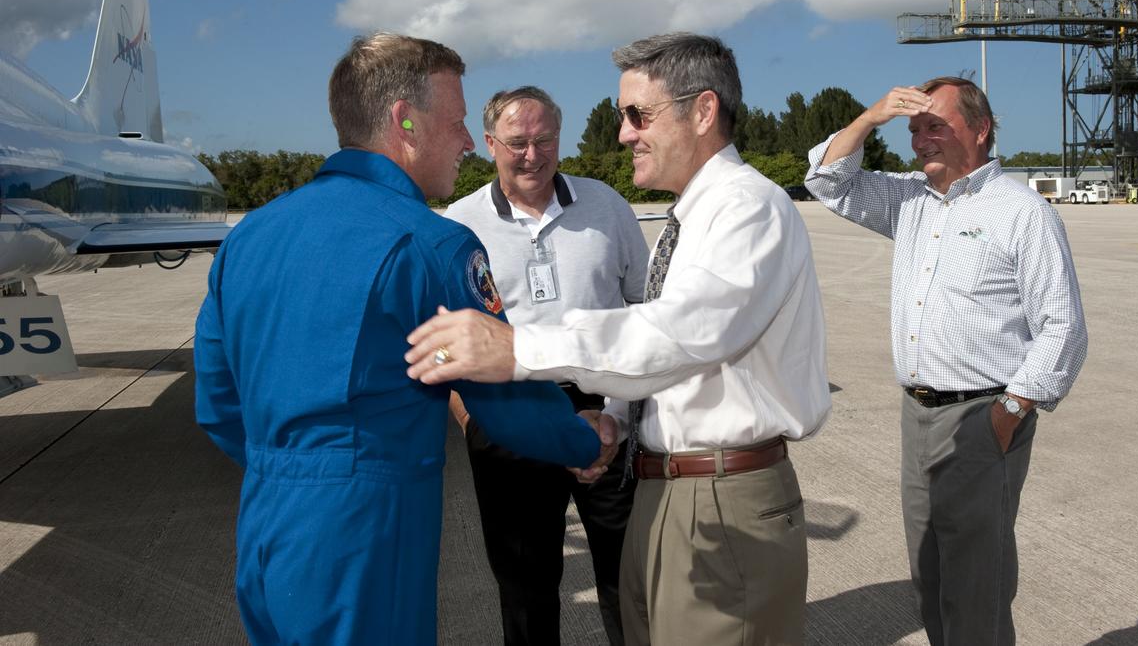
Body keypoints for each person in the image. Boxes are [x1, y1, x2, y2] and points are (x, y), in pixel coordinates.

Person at [403, 32, 831, 646]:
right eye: (623, 115)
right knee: (537, 591)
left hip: (714, 491)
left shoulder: (745, 209)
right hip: (642, 463)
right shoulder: (694, 214)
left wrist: (518, 349)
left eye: (638, 114)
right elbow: (670, 340)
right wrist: (616, 421)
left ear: (703, 111)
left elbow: (678, 332)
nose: (624, 133)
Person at [193, 33, 606, 646]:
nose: (469, 142)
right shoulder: (431, 245)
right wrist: (586, 437)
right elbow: (502, 397)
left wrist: (296, 473)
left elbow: (218, 405)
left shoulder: (249, 238)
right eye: (458, 122)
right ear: (405, 122)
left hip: (265, 527)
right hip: (365, 537)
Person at [803, 77, 1088, 645]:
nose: (920, 140)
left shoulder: (1021, 212)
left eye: (935, 126)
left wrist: (1009, 412)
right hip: (918, 415)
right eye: (913, 130)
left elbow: (1063, 327)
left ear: (980, 129)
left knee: (975, 583)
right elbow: (826, 181)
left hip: (982, 415)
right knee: (929, 570)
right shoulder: (910, 201)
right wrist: (870, 118)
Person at [445, 86, 649, 646]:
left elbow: (646, 310)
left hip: (606, 409)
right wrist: (471, 419)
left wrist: (620, 413)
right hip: (509, 413)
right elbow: (444, 339)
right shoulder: (460, 225)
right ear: (490, 143)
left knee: (629, 580)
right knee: (525, 588)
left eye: (545, 140)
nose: (532, 155)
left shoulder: (607, 205)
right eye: (517, 143)